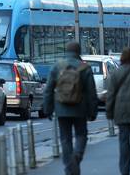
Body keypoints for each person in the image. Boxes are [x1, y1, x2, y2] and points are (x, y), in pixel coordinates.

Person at [43, 42, 98, 175]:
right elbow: (91, 93)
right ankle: (76, 158)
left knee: (65, 138)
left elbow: (48, 90)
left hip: (61, 109)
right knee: (81, 135)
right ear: (78, 52)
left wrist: (48, 109)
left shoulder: (57, 66)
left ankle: (69, 167)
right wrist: (93, 112)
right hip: (80, 109)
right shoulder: (85, 68)